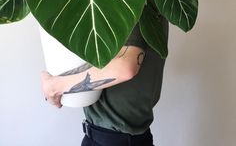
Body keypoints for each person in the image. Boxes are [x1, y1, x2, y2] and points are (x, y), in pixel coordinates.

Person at [41, 18, 168, 146]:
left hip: (115, 139)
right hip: (109, 136)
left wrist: (56, 86)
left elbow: (125, 67)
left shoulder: (139, 5)